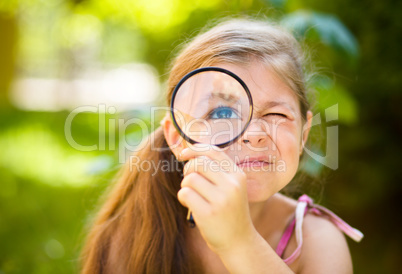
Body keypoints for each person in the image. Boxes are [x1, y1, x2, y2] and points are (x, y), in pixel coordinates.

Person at [80, 18, 363, 273]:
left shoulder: (319, 241)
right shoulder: (136, 235)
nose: (254, 134)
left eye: (276, 114)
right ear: (178, 137)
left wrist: (239, 242)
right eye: (222, 113)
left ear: (303, 136)